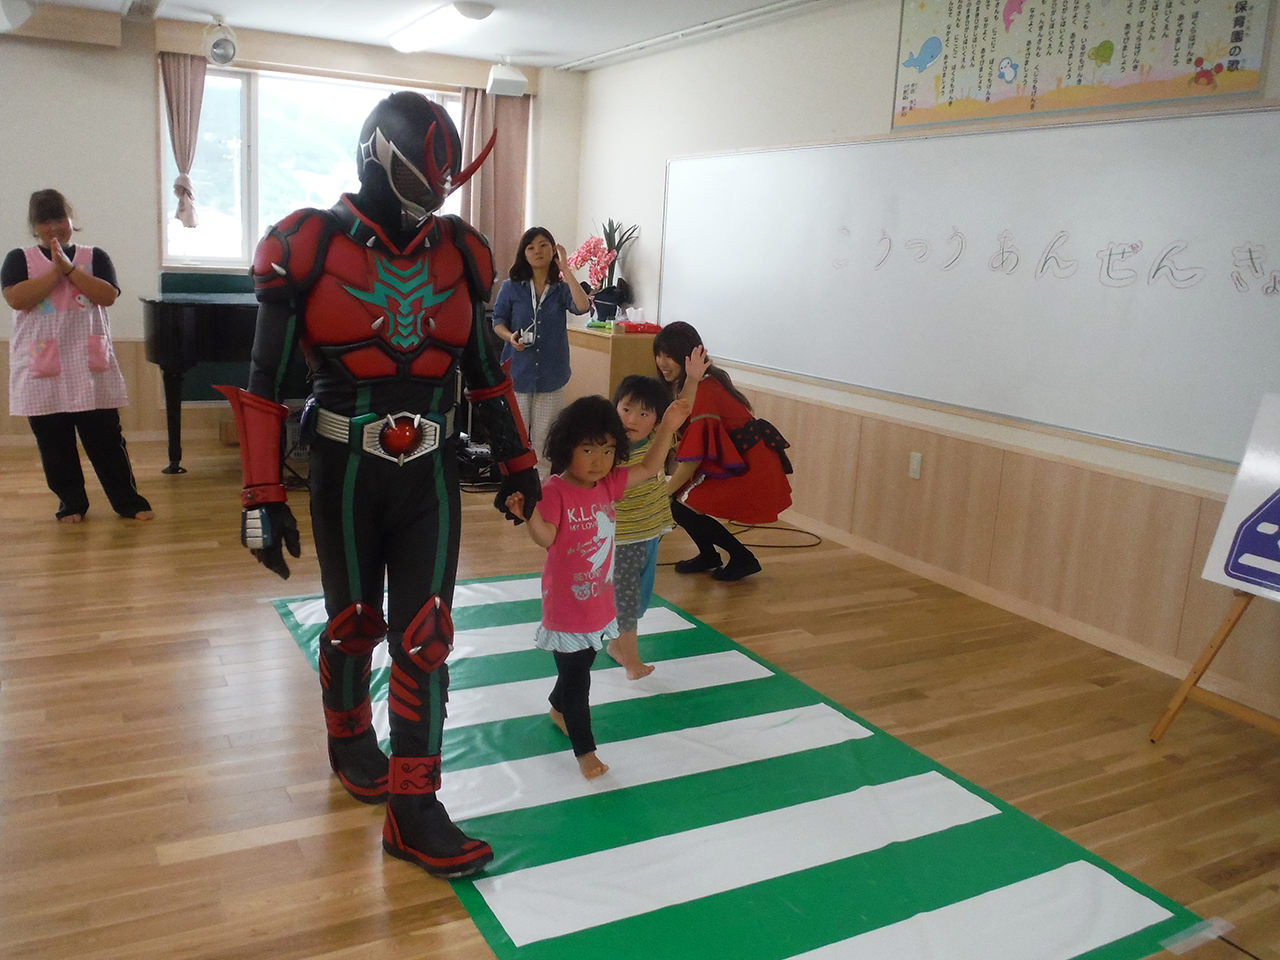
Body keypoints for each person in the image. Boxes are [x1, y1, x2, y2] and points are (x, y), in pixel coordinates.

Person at [216, 92, 541, 879]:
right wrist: (262, 495)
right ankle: (349, 736)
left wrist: (519, 464)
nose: (428, 203)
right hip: (342, 466)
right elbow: (264, 379)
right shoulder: (306, 244)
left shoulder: (462, 251)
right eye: (421, 182)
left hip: (431, 466)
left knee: (425, 636)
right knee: (355, 620)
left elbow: (487, 374)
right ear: (376, 158)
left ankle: (414, 808)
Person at [505, 393, 690, 779]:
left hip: (599, 604)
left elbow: (652, 465)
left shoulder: (608, 484)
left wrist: (669, 426)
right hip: (568, 609)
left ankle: (558, 706)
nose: (598, 461)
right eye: (588, 450)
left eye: (607, 451)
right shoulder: (555, 490)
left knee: (580, 667)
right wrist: (526, 516)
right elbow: (545, 537)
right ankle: (584, 749)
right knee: (579, 679)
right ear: (565, 447)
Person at [3, 189, 153, 524]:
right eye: (45, 221)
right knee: (54, 445)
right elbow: (17, 299)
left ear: (71, 220)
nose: (53, 227)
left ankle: (127, 500)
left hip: (89, 365)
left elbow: (107, 295)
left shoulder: (94, 255)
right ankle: (71, 503)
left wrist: (70, 269)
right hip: (42, 368)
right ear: (34, 225)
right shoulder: (19, 259)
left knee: (106, 440)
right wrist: (55, 271)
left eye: (59, 218)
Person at [653, 321, 792, 581]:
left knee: (678, 503)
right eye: (659, 354)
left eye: (669, 355)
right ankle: (710, 555)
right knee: (679, 503)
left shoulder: (705, 390)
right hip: (736, 460)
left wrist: (661, 494)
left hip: (748, 466)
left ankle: (742, 558)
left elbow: (692, 461)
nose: (662, 362)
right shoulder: (695, 385)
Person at [491, 227, 590, 477]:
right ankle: (517, 488)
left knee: (545, 440)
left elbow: (582, 306)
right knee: (517, 438)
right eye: (531, 247)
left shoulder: (561, 289)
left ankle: (542, 494)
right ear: (524, 253)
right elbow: (498, 322)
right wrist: (510, 337)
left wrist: (566, 270)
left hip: (551, 376)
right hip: (518, 374)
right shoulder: (511, 287)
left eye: (544, 245)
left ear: (553, 249)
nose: (538, 251)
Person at [606, 375, 678, 679]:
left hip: (649, 532)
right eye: (626, 409)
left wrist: (694, 381)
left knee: (639, 598)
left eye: (644, 414)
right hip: (623, 538)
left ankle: (615, 645)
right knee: (628, 600)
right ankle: (632, 661)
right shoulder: (612, 452)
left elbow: (678, 413)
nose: (632, 419)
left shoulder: (655, 444)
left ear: (656, 423)